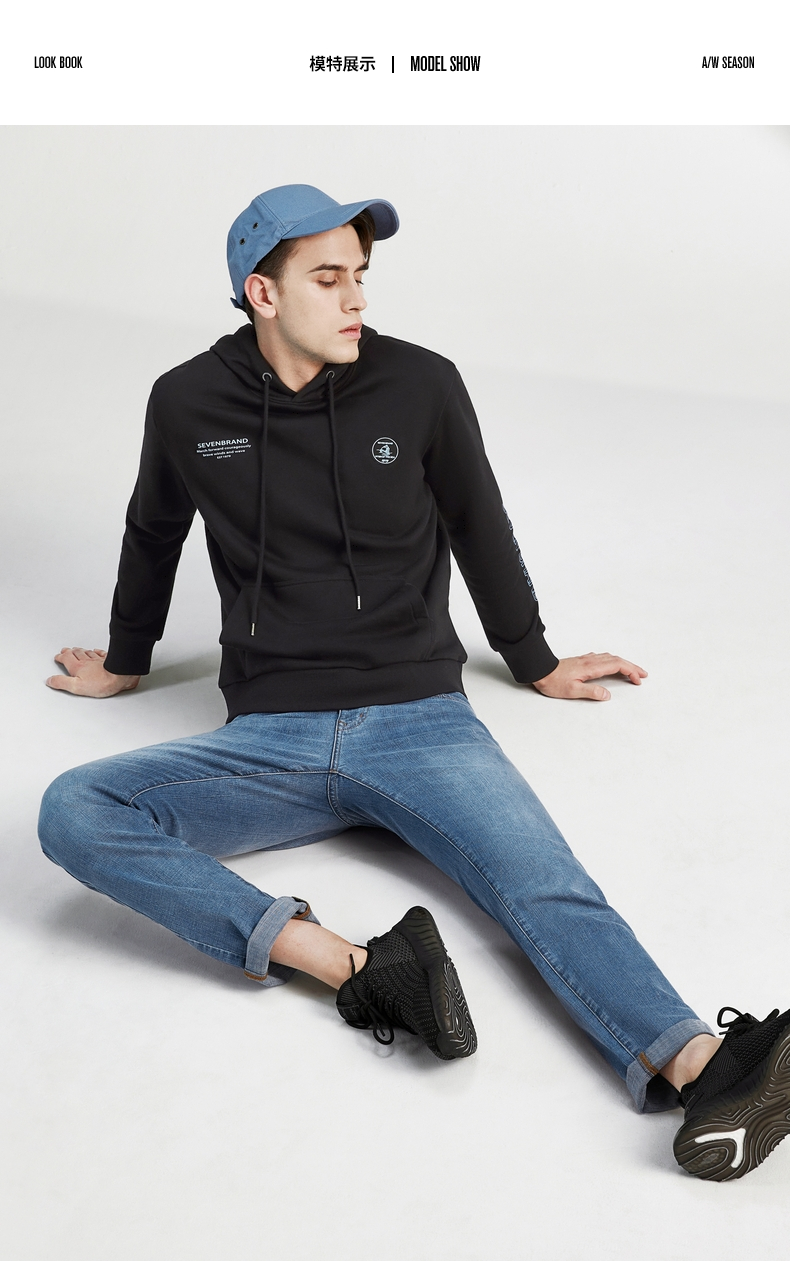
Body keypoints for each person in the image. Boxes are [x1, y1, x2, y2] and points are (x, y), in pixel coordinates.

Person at [39, 183, 789, 1181]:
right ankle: (360, 965)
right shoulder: (187, 401)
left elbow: (480, 523)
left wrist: (534, 659)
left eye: (361, 275)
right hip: (268, 736)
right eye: (328, 278)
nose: (356, 297)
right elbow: (153, 531)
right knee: (73, 807)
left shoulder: (421, 383)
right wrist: (124, 662)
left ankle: (703, 1069)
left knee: (542, 885)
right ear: (262, 292)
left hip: (419, 718)